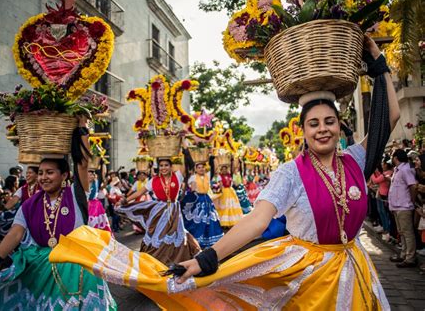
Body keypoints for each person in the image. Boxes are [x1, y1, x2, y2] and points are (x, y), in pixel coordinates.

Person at [49, 37, 399, 309]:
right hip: (309, 280)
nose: (322, 129)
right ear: (304, 130)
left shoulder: (354, 159)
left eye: (329, 122)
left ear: (340, 126)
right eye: (313, 124)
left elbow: (390, 119)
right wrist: (206, 258)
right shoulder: (290, 174)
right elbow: (255, 222)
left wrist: (378, 64)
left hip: (355, 267)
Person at [0, 118, 118, 310]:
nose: (43, 177)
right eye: (40, 173)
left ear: (64, 175)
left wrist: (81, 130)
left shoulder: (75, 195)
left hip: (77, 266)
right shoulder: (29, 204)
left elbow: (81, 163)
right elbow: (15, 233)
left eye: (50, 172)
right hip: (40, 267)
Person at [118, 158, 200, 264]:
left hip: (174, 210)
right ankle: (157, 259)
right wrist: (125, 200)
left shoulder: (178, 175)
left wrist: (183, 143)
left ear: (171, 167)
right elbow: (139, 193)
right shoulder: (153, 180)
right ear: (159, 168)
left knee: (174, 234)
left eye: (166, 165)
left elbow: (190, 163)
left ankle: (175, 258)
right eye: (161, 166)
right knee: (158, 234)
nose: (163, 168)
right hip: (160, 210)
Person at [182, 163, 224, 248]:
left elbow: (214, 167)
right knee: (199, 221)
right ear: (196, 169)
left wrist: (212, 157)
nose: (201, 169)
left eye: (202, 167)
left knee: (210, 220)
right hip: (198, 200)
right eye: (199, 168)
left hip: (207, 199)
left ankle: (209, 240)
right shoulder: (193, 177)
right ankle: (198, 241)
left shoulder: (207, 176)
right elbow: (192, 189)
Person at [388, 149, 418, 267]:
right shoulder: (398, 169)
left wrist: (412, 201)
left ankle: (410, 257)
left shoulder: (406, 169)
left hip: (404, 205)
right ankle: (404, 254)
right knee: (402, 232)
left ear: (396, 158)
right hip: (397, 205)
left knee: (407, 233)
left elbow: (413, 186)